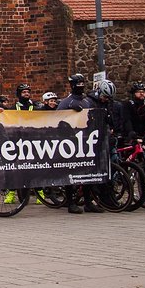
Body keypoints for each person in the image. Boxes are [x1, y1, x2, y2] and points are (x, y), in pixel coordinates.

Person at [60, 75, 100, 214]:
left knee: (88, 172)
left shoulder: (87, 101)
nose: (81, 86)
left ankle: (88, 202)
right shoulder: (66, 102)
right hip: (71, 142)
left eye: (82, 83)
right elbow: (58, 121)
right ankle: (70, 203)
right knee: (71, 173)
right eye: (78, 84)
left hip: (87, 141)